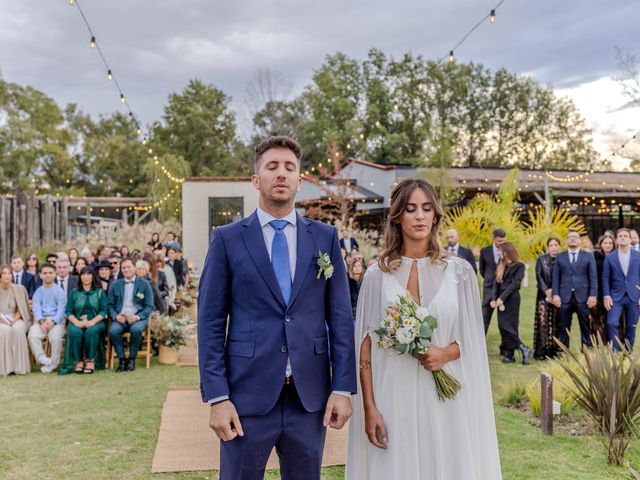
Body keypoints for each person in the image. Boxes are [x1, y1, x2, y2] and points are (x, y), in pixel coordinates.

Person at [198, 135, 356, 480]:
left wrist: (342, 388)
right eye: (272, 167)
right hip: (244, 398)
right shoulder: (227, 238)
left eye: (289, 167)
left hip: (308, 399)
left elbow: (341, 318)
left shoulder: (325, 237)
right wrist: (217, 396)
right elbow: (210, 322)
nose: (281, 173)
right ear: (256, 179)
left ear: (300, 180)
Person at [346, 178, 501, 479]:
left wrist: (445, 353)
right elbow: (364, 346)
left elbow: (472, 339)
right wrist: (369, 408)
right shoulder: (377, 275)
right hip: (394, 395)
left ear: (435, 216)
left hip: (446, 398)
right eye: (411, 209)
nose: (419, 216)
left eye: (426, 208)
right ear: (397, 216)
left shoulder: (460, 272)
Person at [551, 230, 597, 349]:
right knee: (564, 327)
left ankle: (587, 351)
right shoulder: (560, 257)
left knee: (585, 326)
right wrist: (555, 294)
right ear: (566, 241)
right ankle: (563, 352)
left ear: (579, 240)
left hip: (583, 297)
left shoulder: (588, 256)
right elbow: (555, 278)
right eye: (570, 237)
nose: (572, 239)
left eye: (575, 237)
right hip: (564, 297)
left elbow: (593, 277)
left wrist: (593, 295)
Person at [59, 267, 108, 375]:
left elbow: (104, 311)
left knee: (91, 331)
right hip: (77, 321)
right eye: (83, 274)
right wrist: (76, 322)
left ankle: (91, 360)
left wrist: (92, 322)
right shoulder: (74, 292)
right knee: (75, 332)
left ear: (93, 276)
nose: (86, 277)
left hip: (96, 322)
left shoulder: (100, 292)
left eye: (88, 274)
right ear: (80, 277)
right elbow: (68, 311)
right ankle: (79, 361)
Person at [108, 257, 154, 372]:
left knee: (136, 330)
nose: (126, 269)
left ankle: (132, 359)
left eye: (129, 266)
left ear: (134, 268)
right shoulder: (115, 284)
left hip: (137, 317)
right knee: (113, 331)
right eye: (123, 267)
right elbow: (109, 305)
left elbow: (149, 306)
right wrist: (116, 316)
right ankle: (122, 360)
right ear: (120, 270)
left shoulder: (144, 284)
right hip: (121, 317)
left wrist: (137, 317)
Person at [490, 242, 532, 364]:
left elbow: (515, 285)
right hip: (500, 300)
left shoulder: (519, 266)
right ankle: (509, 354)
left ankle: (524, 348)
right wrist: (493, 299)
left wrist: (502, 298)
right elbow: (495, 284)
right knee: (502, 326)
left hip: (511, 299)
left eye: (500, 251)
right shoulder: (501, 265)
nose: (499, 253)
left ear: (507, 252)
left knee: (508, 326)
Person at [603, 228, 640, 350]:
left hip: (634, 296)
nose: (623, 237)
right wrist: (606, 296)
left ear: (630, 239)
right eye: (620, 236)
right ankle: (615, 351)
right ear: (617, 240)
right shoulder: (610, 257)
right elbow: (605, 277)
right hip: (615, 297)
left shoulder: (638, 256)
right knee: (612, 322)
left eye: (625, 236)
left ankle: (628, 352)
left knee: (631, 325)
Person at [28, 263, 67, 373]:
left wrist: (53, 322)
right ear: (40, 275)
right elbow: (36, 309)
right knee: (32, 335)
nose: (48, 275)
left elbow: (61, 310)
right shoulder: (38, 292)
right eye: (45, 273)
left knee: (55, 337)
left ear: (55, 274)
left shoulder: (59, 291)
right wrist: (41, 322)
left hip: (57, 321)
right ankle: (43, 359)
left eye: (50, 273)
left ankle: (53, 363)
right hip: (42, 320)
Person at [0, 265, 31, 376]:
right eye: (4, 273)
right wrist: (2, 321)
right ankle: (6, 368)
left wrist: (14, 319)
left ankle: (19, 367)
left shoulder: (19, 289)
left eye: (9, 273)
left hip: (16, 317)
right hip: (1, 320)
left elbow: (21, 309)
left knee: (18, 329)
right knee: (4, 331)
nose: (7, 276)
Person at [533, 237, 562, 359]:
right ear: (548, 247)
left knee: (556, 323)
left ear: (560, 246)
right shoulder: (541, 259)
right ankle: (541, 350)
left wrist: (555, 291)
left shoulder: (562, 259)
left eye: (556, 245)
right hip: (543, 295)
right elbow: (539, 276)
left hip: (558, 296)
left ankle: (555, 350)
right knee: (543, 322)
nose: (554, 247)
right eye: (551, 245)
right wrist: (546, 290)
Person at [479, 228, 507, 333]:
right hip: (488, 289)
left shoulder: (508, 251)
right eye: (500, 241)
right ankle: (480, 343)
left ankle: (506, 348)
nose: (502, 243)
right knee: (484, 318)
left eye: (504, 241)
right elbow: (482, 270)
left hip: (504, 289)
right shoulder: (484, 251)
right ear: (494, 239)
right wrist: (489, 279)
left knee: (505, 321)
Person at [593, 233, 617, 342]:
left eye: (610, 243)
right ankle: (600, 346)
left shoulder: (618, 257)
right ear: (601, 244)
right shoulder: (595, 258)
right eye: (605, 243)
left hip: (615, 294)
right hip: (599, 294)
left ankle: (615, 345)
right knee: (599, 322)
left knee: (613, 322)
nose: (608, 245)